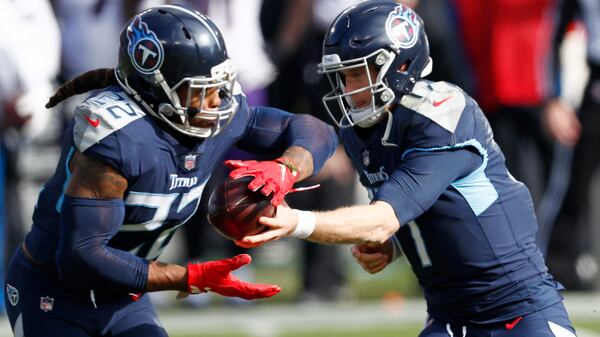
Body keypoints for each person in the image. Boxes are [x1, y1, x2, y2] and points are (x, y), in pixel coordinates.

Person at [237, 2, 578, 336]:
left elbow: (382, 218)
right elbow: (419, 210)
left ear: (399, 66)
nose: (348, 88)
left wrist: (295, 222)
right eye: (342, 76)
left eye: (358, 73)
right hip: (447, 317)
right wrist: (396, 245)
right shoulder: (363, 131)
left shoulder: (442, 116)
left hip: (517, 312)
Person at [3, 4, 337, 336]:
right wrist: (188, 277)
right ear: (155, 84)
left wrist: (287, 168)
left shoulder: (219, 114)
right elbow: (81, 257)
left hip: (123, 296)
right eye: (199, 91)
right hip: (52, 293)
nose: (216, 103)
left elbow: (315, 131)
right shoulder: (118, 138)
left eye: (216, 88)